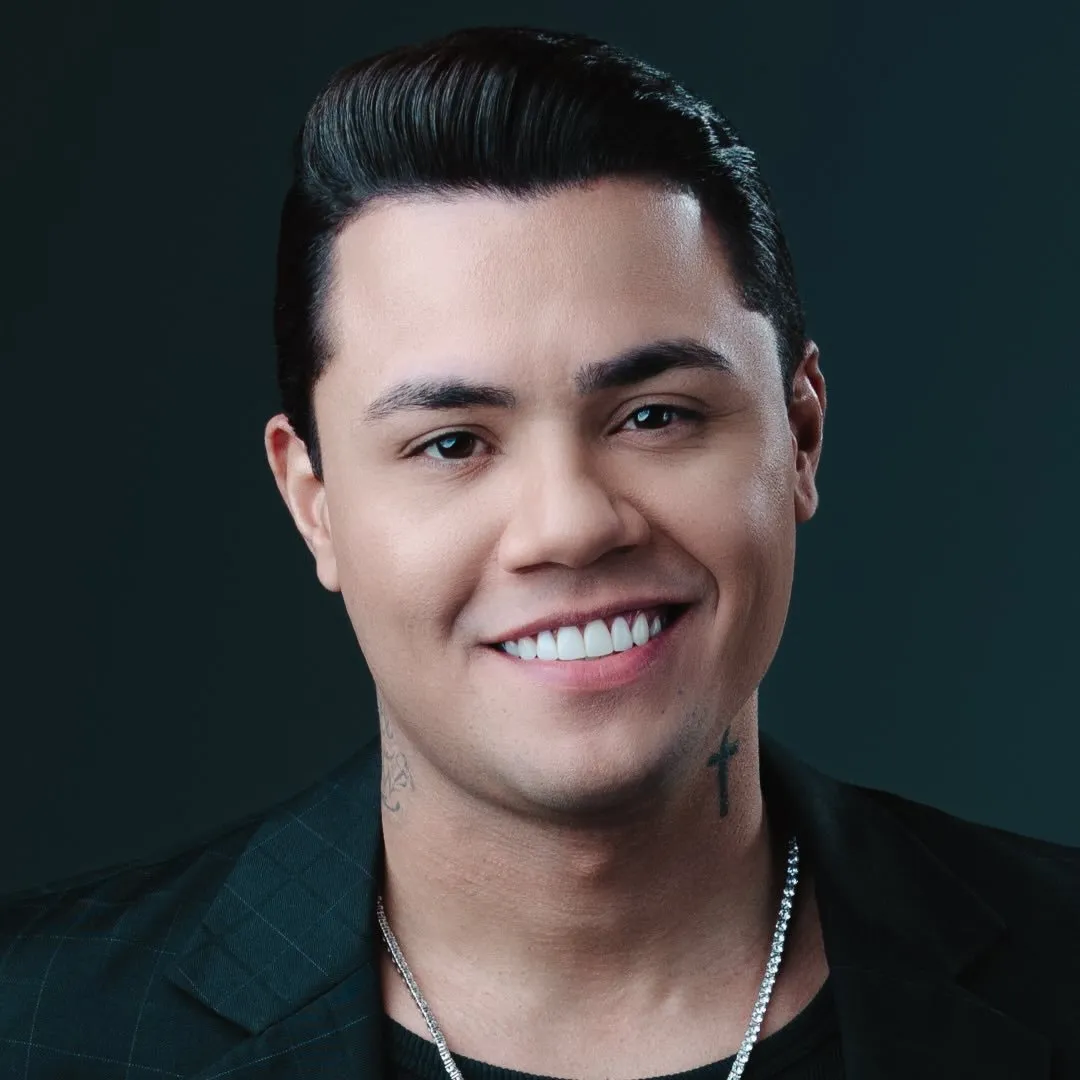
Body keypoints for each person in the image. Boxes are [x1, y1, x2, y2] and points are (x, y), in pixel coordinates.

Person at [1, 24, 1077, 1080]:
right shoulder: (38, 1026)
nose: (569, 524)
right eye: (452, 443)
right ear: (313, 503)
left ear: (799, 435)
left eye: (654, 416)